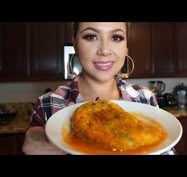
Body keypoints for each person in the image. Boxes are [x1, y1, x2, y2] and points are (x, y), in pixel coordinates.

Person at [22, 22, 175, 155]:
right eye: (91, 36)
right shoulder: (48, 104)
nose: (104, 50)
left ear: (126, 46)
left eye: (116, 38)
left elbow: (165, 148)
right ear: (75, 44)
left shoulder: (145, 97)